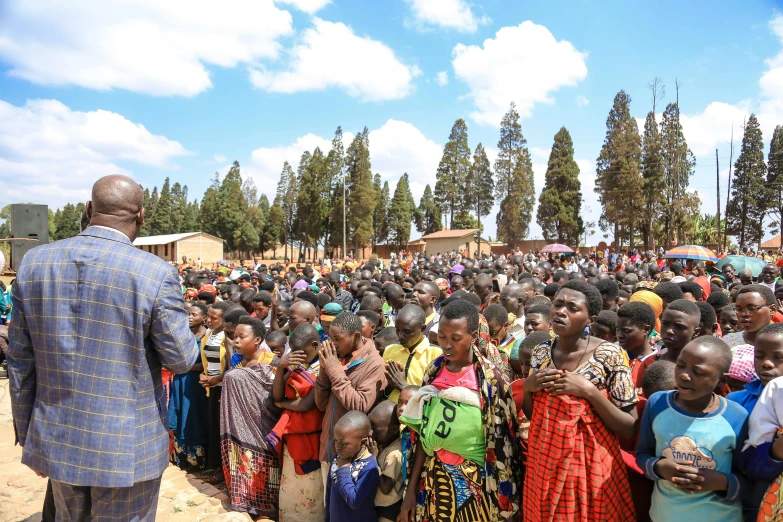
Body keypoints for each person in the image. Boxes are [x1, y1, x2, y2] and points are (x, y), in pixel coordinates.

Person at [7, 175, 198, 520]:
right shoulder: (154, 273)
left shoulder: (34, 263)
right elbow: (182, 359)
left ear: (89, 209)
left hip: (58, 437)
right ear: (140, 215)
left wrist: (32, 436)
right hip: (127, 448)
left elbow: (20, 361)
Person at [523, 280, 637, 521]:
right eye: (558, 304)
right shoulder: (541, 352)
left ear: (591, 320)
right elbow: (535, 414)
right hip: (544, 462)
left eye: (572, 308)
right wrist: (528, 388)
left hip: (590, 467)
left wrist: (590, 392)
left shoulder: (610, 355)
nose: (560, 312)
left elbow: (629, 425)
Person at [399, 300, 521, 522]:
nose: (446, 345)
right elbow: (422, 438)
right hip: (435, 481)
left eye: (455, 339)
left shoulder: (491, 382)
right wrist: (411, 492)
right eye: (442, 337)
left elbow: (503, 445)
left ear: (473, 337)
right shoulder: (433, 372)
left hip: (478, 489)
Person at [636, 336, 747, 522]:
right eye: (680, 365)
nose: (684, 375)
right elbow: (642, 453)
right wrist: (659, 467)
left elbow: (750, 479)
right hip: (664, 515)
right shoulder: (657, 404)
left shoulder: (736, 417)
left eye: (698, 372)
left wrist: (722, 482)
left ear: (722, 380)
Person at [220, 316, 281, 518]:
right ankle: (244, 498)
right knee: (243, 461)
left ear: (257, 340)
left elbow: (276, 397)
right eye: (234, 336)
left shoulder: (273, 362)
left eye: (241, 337)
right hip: (240, 426)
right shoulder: (237, 361)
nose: (235, 341)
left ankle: (266, 507)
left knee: (266, 468)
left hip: (265, 427)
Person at [315, 313, 385, 486]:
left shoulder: (374, 363)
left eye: (337, 339)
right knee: (329, 506)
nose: (332, 344)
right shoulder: (339, 357)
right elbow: (322, 404)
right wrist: (325, 370)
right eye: (330, 338)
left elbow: (359, 406)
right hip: (329, 447)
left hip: (351, 457)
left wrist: (334, 369)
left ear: (356, 336)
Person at [270, 323, 325, 522]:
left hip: (312, 434)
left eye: (300, 352)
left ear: (315, 345)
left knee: (310, 487)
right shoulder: (295, 364)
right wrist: (281, 367)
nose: (296, 356)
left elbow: (306, 405)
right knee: (291, 484)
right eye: (292, 352)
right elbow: (275, 394)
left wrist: (282, 403)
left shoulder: (324, 366)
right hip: (293, 435)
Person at [169, 303, 210, 471]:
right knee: (180, 413)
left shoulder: (208, 338)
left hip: (195, 384)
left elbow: (206, 365)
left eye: (194, 314)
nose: (190, 317)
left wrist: (184, 366)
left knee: (194, 415)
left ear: (204, 318)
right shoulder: (184, 335)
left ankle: (198, 459)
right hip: (181, 380)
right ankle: (182, 457)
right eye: (188, 314)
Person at [325, 411, 379, 522]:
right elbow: (329, 493)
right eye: (336, 441)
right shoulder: (338, 458)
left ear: (363, 442)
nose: (338, 447)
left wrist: (344, 469)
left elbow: (354, 501)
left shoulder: (370, 468)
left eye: (344, 443)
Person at [383, 304, 442, 403]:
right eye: (397, 330)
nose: (400, 336)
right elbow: (383, 390)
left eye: (407, 331)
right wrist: (390, 384)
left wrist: (402, 385)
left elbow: (435, 397)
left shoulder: (436, 355)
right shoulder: (390, 350)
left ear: (423, 329)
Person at [368, 400, 404, 522]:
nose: (371, 433)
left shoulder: (395, 453)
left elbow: (386, 486)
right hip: (379, 505)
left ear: (394, 429)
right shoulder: (384, 444)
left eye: (376, 430)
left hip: (388, 509)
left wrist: (373, 458)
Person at [617, 301, 658, 393]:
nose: (619, 335)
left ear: (646, 330)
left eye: (626, 330)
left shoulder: (656, 364)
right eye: (618, 330)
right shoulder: (614, 357)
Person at [723, 285, 777, 349]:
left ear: (772, 310)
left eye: (751, 309)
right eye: (739, 309)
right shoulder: (728, 342)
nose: (743, 314)